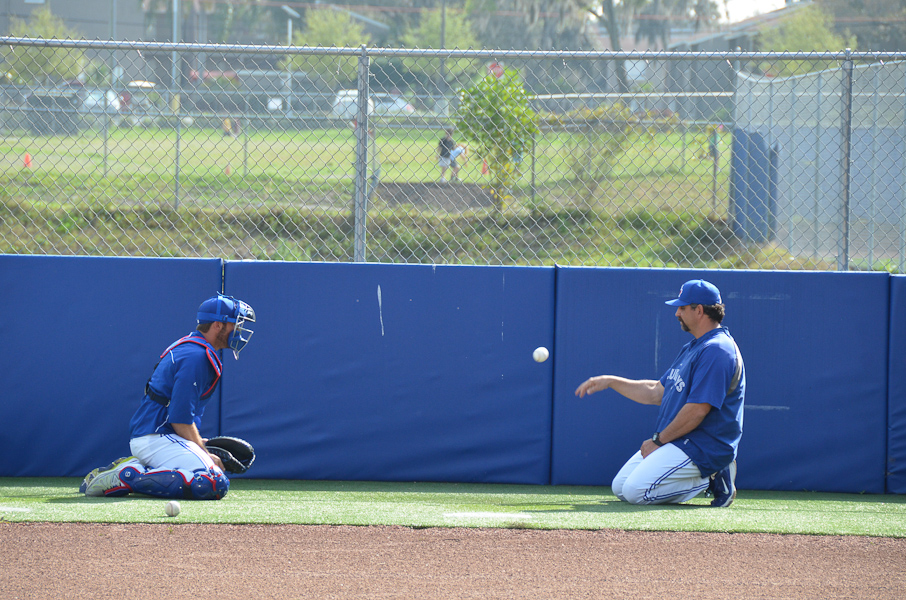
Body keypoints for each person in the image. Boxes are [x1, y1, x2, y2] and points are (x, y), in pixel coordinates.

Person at [574, 279, 745, 507]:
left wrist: (658, 440)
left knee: (636, 492)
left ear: (700, 310)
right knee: (621, 488)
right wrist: (611, 382)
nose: (677, 313)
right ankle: (705, 476)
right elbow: (656, 392)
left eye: (682, 308)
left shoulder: (718, 350)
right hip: (682, 440)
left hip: (705, 445)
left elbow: (697, 410)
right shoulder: (695, 346)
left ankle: (711, 477)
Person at [80, 294, 256, 500]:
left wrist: (199, 444)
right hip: (156, 437)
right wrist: (203, 451)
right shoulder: (196, 357)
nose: (240, 331)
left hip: (160, 434)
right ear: (218, 325)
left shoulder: (195, 347)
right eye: (236, 324)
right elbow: (180, 419)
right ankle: (128, 474)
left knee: (210, 473)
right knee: (211, 481)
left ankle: (141, 467)